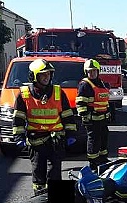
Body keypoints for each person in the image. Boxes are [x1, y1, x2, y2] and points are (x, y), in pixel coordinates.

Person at [12, 59, 77, 196]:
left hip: (55, 140)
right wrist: (19, 136)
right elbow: (19, 118)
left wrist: (71, 134)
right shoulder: (24, 94)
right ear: (34, 76)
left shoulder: (58, 92)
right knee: (38, 173)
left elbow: (67, 115)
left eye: (48, 74)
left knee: (55, 173)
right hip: (36, 141)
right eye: (43, 75)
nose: (46, 77)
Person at [76, 59, 110, 170]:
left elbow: (105, 100)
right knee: (93, 140)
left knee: (103, 138)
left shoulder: (101, 83)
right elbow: (80, 102)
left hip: (103, 119)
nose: (92, 73)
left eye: (94, 71)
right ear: (86, 72)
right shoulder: (85, 84)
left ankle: (103, 159)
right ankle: (93, 163)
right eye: (90, 71)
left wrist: (108, 112)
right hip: (92, 120)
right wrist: (85, 116)